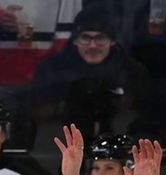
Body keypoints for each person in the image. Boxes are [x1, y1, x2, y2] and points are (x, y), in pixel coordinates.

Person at [27, 6, 146, 150]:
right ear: (75, 40)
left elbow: (144, 118)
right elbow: (37, 114)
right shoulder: (52, 70)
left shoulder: (131, 71)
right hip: (60, 148)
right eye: (85, 38)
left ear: (112, 41)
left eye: (100, 38)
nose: (93, 45)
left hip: (118, 148)